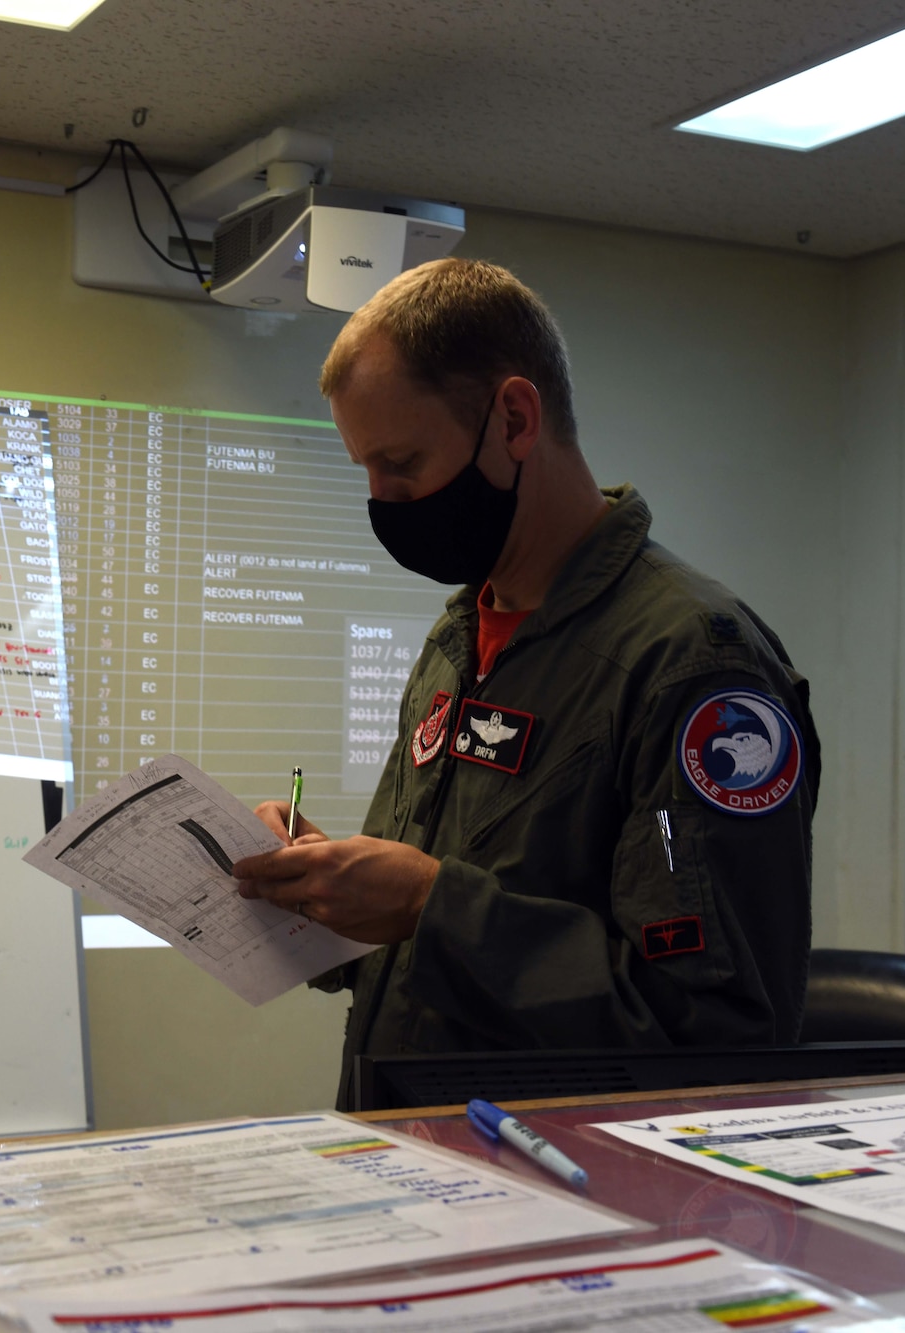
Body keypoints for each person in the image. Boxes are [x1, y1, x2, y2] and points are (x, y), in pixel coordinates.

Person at [231, 258, 817, 1109]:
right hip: (417, 1160)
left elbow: (716, 1031)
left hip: (571, 1194)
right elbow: (437, 948)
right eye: (366, 468)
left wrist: (433, 904)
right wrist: (329, 892)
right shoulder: (459, 634)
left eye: (400, 461)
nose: (382, 500)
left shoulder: (693, 665)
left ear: (513, 419)